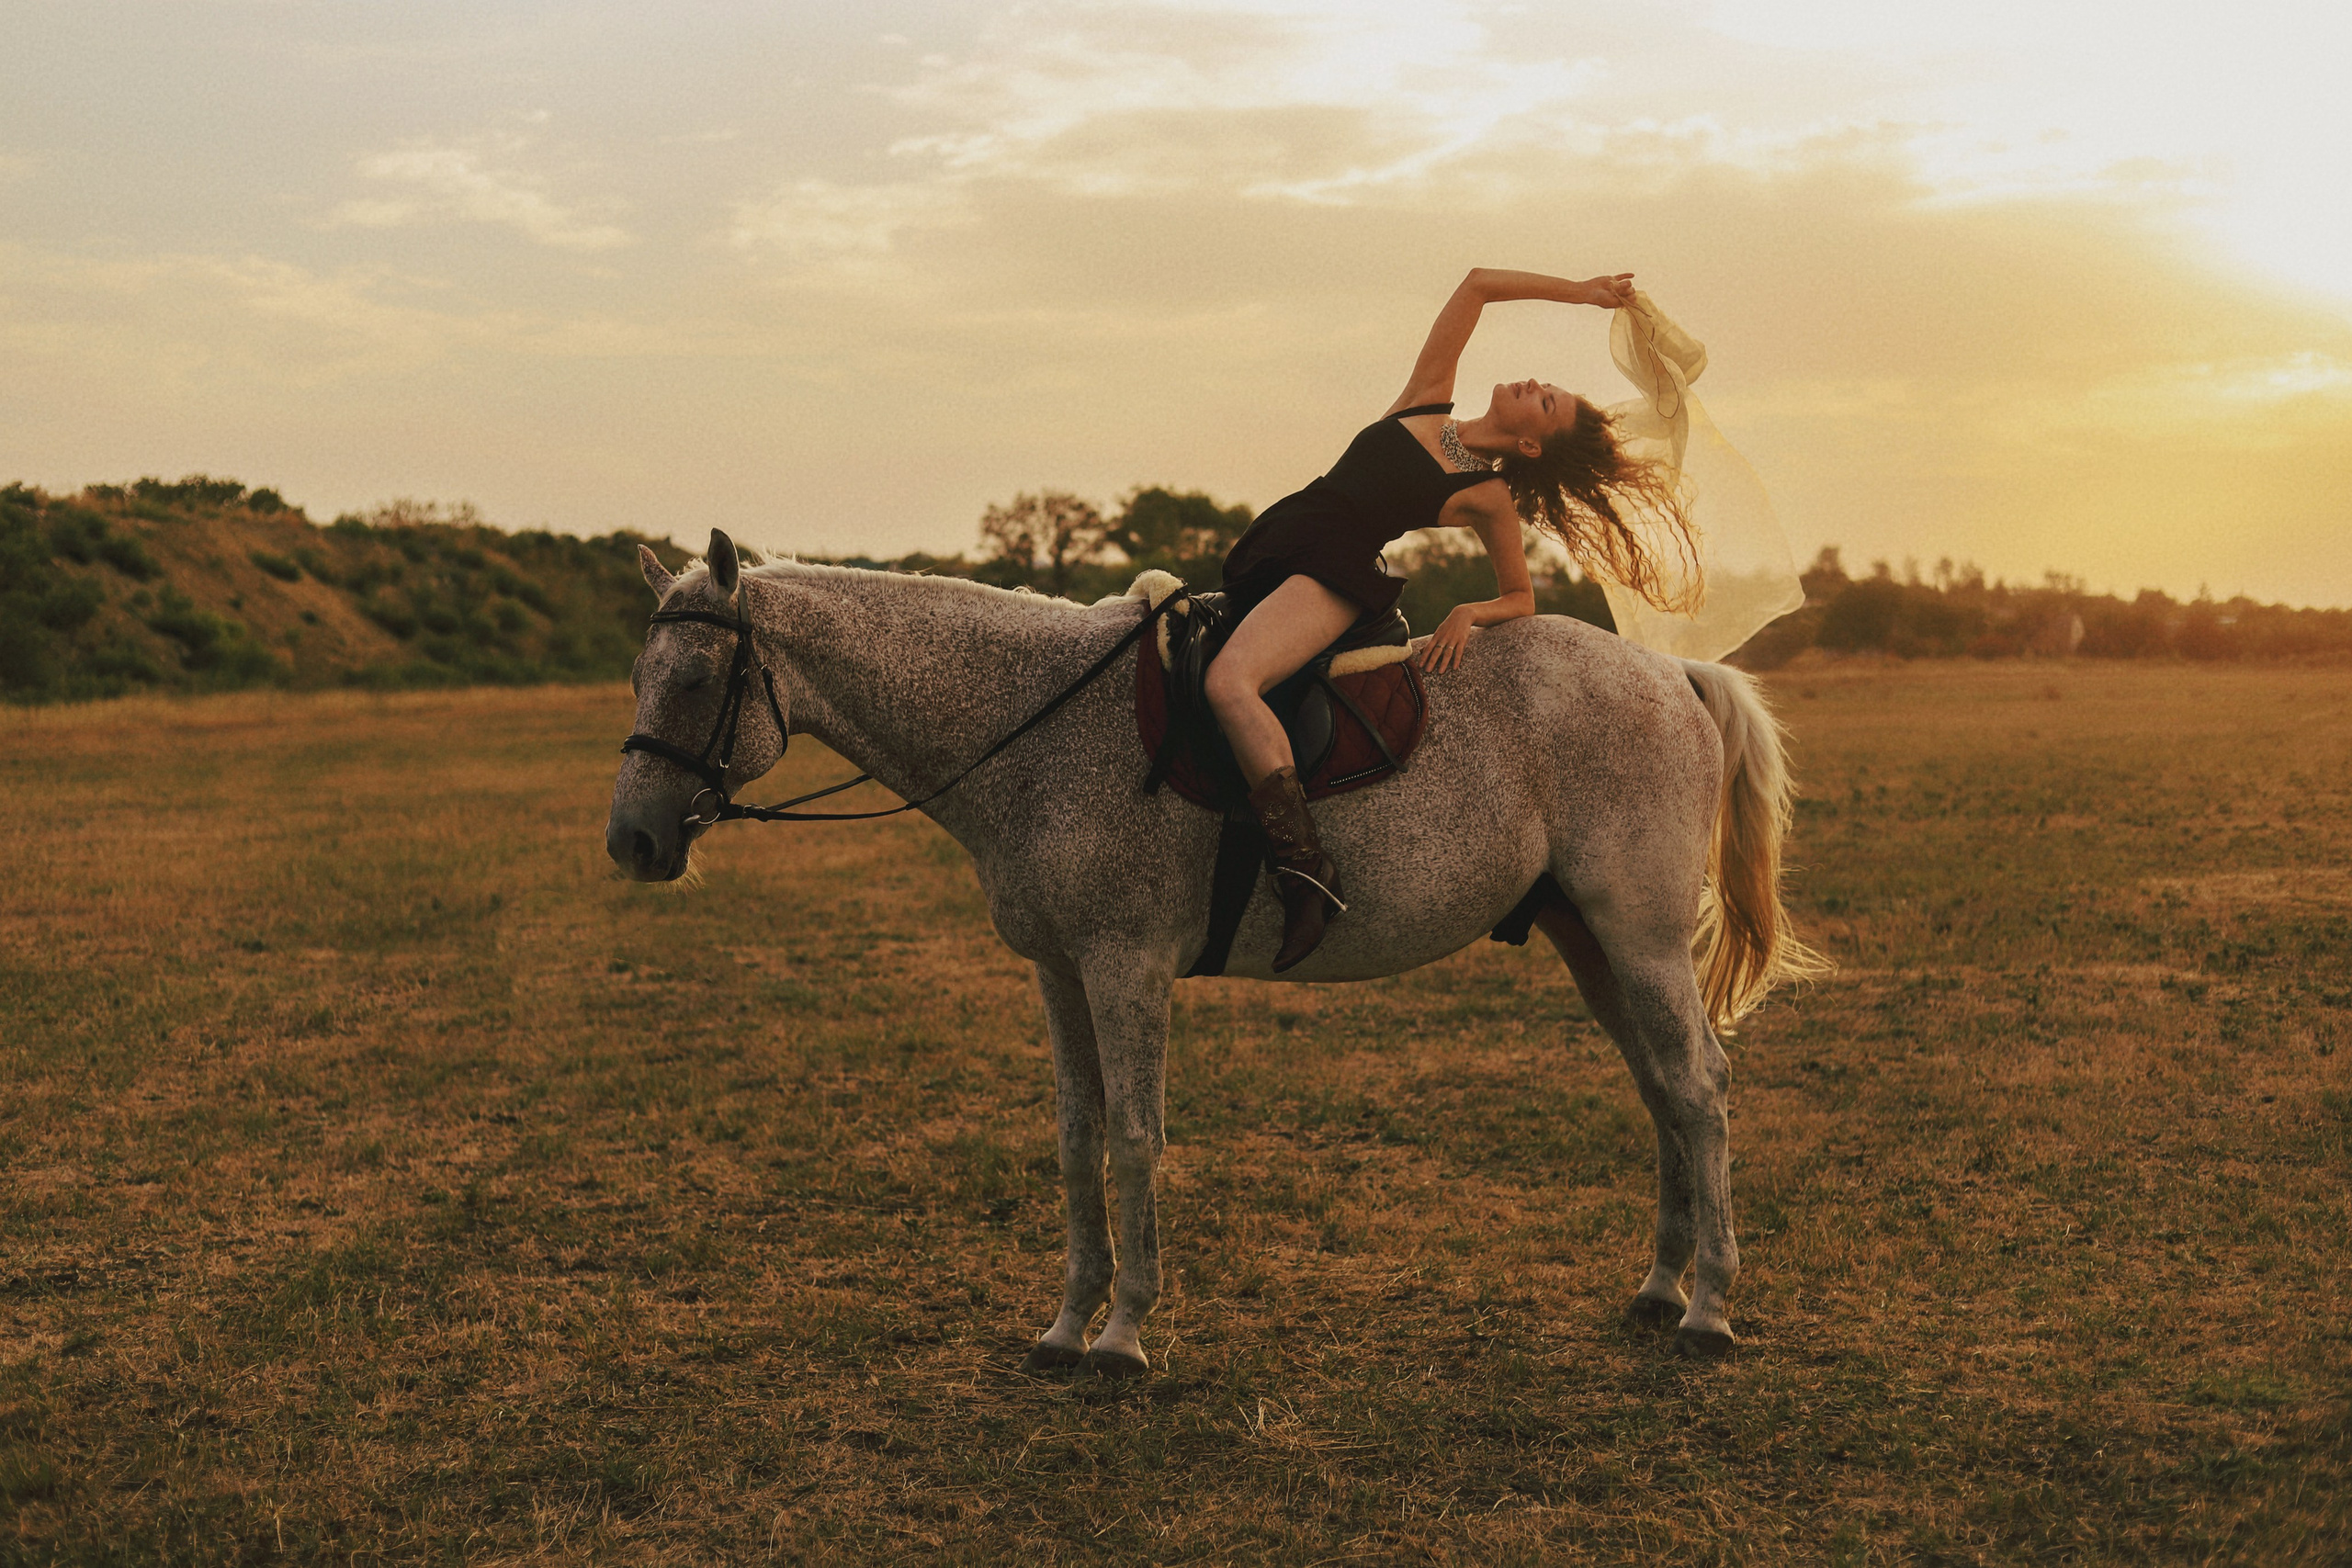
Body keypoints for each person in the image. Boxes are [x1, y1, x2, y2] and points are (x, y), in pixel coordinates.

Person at [1204, 265, 1702, 972]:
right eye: (1547, 385)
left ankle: (1306, 872)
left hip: (1332, 574)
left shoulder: (1487, 493)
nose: (1535, 383)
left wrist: (1471, 611)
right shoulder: (1426, 401)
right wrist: (1583, 293)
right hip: (1278, 542)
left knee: (1230, 684)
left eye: (1547, 401)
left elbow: (1521, 598)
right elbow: (1475, 286)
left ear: (1531, 446)